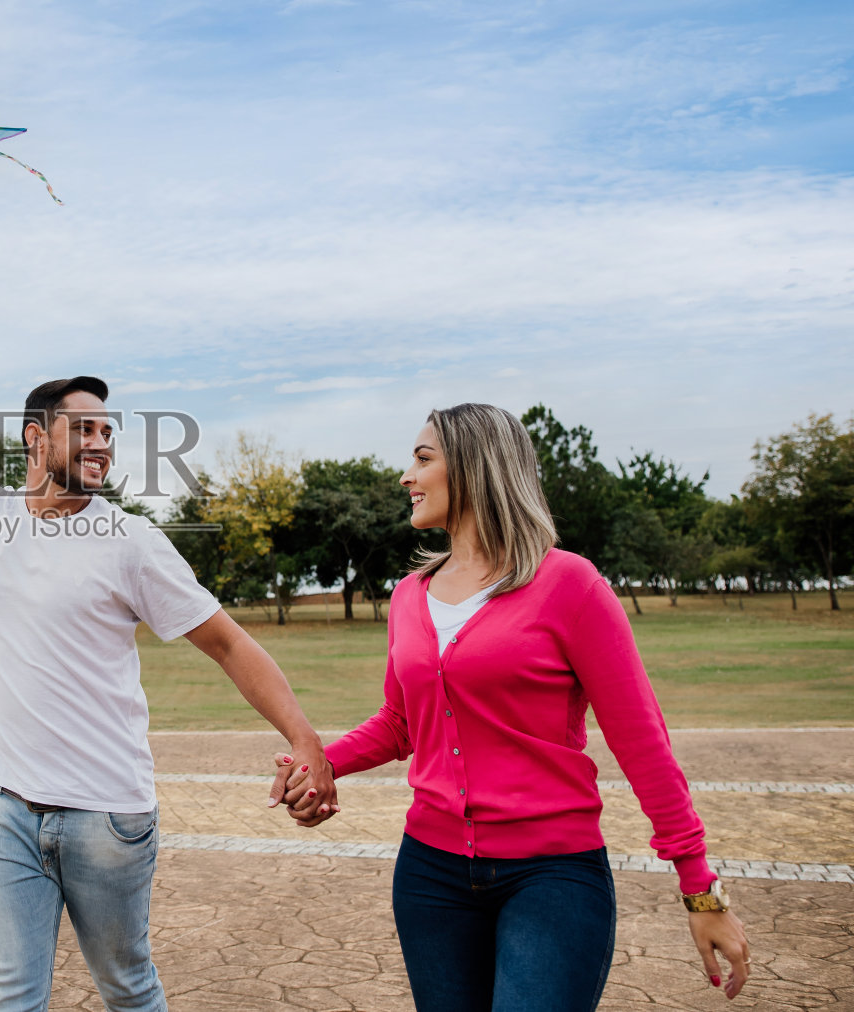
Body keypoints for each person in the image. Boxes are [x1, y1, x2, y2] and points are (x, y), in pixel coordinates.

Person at [0, 327, 338, 1012]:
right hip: (4, 812)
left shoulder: (131, 542)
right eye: (84, 429)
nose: (101, 445)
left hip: (108, 821)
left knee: (129, 990)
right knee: (8, 999)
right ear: (34, 439)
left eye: (108, 434)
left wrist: (304, 737)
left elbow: (229, 644)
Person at [275, 403, 750, 1011]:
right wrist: (320, 762)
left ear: (474, 469)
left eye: (423, 460)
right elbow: (400, 723)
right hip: (430, 876)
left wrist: (699, 887)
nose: (406, 477)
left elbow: (641, 742)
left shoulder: (571, 585)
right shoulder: (409, 597)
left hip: (552, 877)